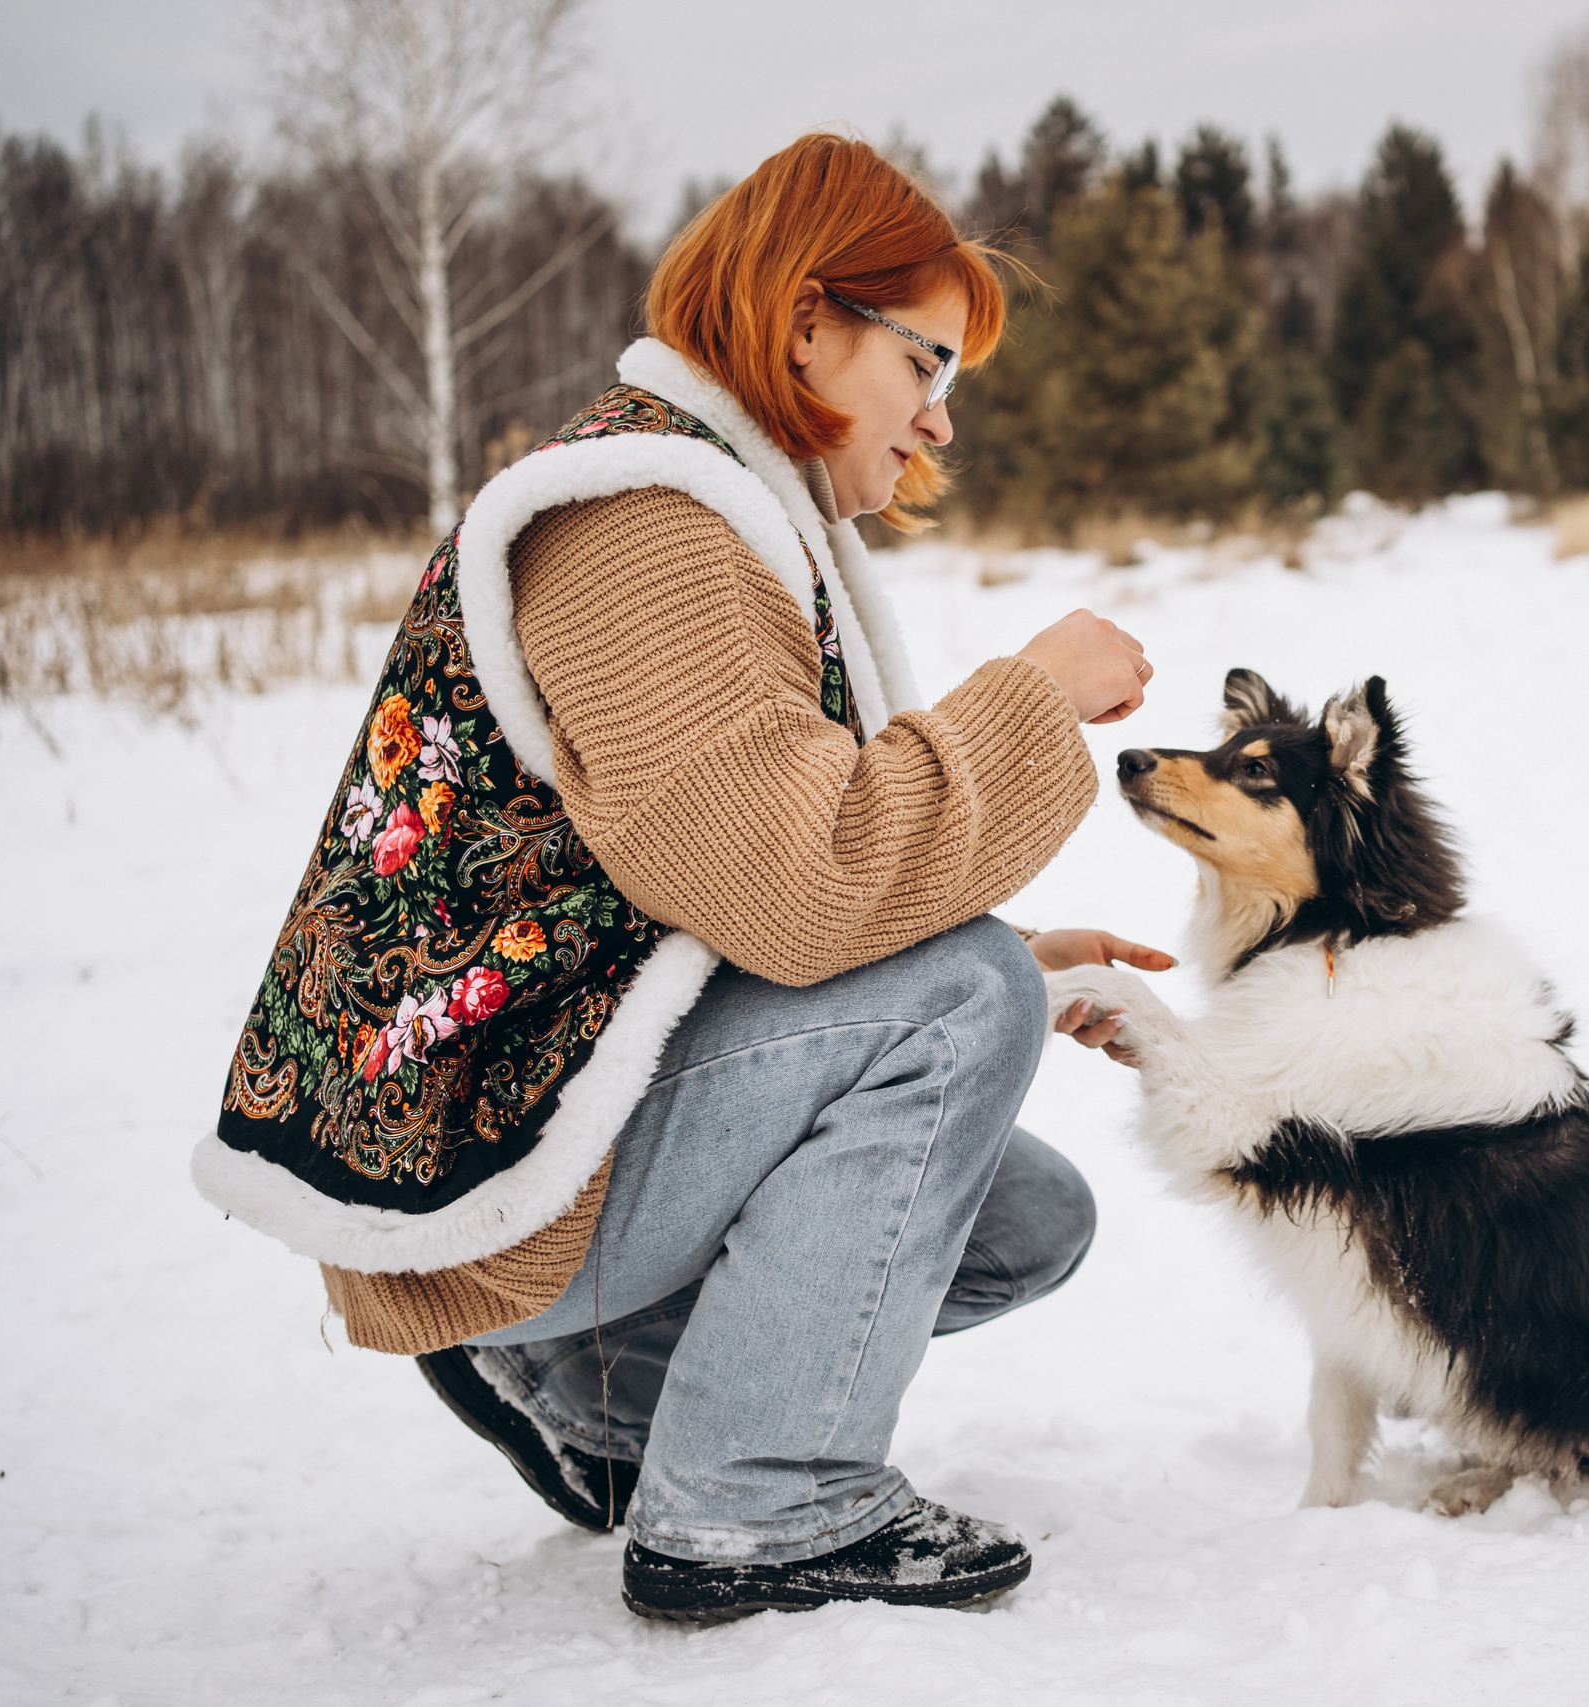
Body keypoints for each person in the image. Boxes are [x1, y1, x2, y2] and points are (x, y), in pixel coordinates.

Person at [194, 133, 1158, 1625]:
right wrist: (1028, 702)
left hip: (530, 1094)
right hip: (483, 1144)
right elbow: (796, 884)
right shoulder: (645, 525)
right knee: (956, 1000)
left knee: (1024, 1211)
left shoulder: (711, 505)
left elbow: (702, 874)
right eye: (928, 367)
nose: (940, 425)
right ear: (804, 324)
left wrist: (1011, 959)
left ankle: (614, 1403)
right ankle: (757, 1507)